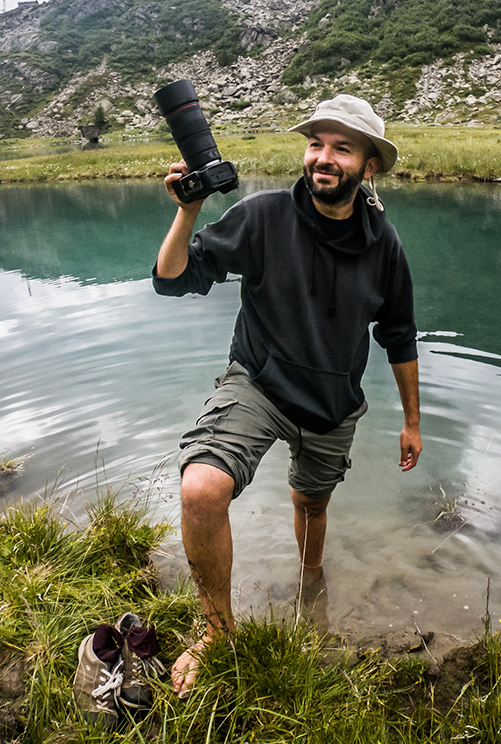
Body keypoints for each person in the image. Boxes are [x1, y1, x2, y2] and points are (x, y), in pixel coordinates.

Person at [153, 93, 422, 696]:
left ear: (368, 166)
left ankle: (311, 584)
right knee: (201, 487)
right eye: (315, 144)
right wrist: (187, 212)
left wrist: (412, 420)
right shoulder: (263, 217)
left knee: (312, 505)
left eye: (341, 148)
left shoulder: (385, 246)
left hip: (332, 403)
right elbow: (172, 280)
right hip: (259, 382)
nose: (323, 158)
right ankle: (217, 631)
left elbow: (399, 336)